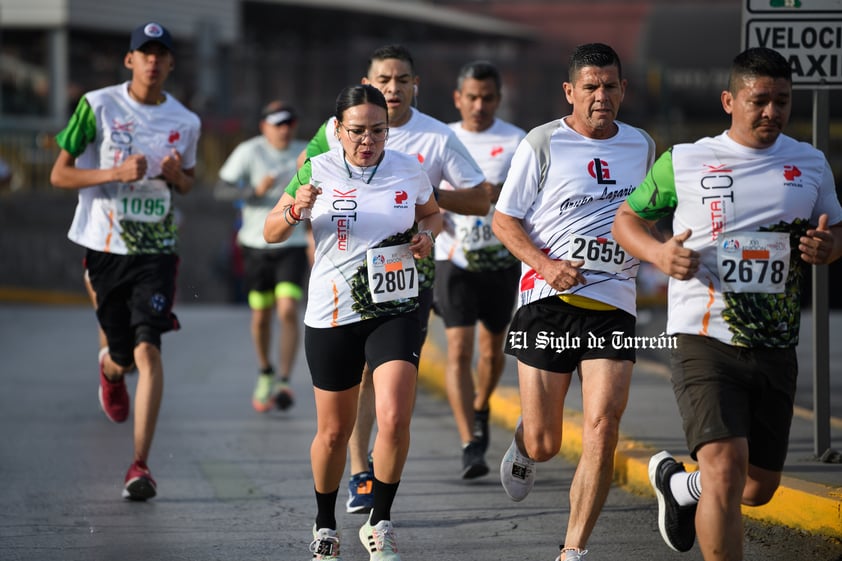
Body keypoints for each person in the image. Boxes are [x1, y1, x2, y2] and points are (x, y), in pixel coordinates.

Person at [611, 47, 842, 561]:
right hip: (703, 336)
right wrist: (659, 253)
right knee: (723, 467)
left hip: (775, 344)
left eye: (782, 101)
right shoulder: (686, 160)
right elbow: (626, 220)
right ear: (729, 101)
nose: (772, 112)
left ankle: (677, 488)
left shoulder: (811, 163)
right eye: (759, 100)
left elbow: (836, 228)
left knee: (757, 488)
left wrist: (829, 247)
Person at [299, 44, 491, 513]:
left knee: (387, 384)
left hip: (406, 280)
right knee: (356, 379)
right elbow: (303, 193)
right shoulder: (330, 134)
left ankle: (379, 488)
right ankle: (359, 470)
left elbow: (479, 198)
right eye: (383, 80)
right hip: (341, 285)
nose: (392, 88)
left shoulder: (436, 138)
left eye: (401, 80)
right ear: (368, 82)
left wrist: (419, 199)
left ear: (414, 85)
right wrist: (302, 223)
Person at [265, 83, 443, 561]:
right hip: (333, 311)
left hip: (394, 305)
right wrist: (294, 208)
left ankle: (379, 522)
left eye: (378, 131)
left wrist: (425, 234)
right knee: (333, 433)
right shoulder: (315, 168)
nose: (368, 140)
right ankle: (324, 523)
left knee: (394, 417)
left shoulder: (409, 168)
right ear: (338, 129)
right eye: (358, 131)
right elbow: (270, 230)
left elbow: (433, 214)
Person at [491, 43, 655, 561]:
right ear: (571, 91)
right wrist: (545, 264)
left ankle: (574, 550)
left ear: (623, 90)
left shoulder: (642, 145)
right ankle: (525, 441)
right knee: (546, 441)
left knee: (603, 428)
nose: (600, 95)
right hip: (548, 301)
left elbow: (644, 218)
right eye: (590, 86)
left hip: (613, 306)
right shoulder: (543, 143)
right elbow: (504, 220)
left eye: (610, 86)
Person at [49, 21, 201, 501]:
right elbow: (59, 174)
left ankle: (140, 466)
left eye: (161, 54)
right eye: (144, 52)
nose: (152, 61)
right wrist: (114, 171)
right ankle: (110, 370)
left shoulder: (186, 121)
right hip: (105, 244)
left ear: (171, 64)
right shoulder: (97, 105)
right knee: (122, 358)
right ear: (129, 60)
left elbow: (190, 183)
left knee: (149, 349)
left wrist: (178, 178)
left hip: (157, 249)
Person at [433, 60, 525, 479]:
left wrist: (496, 193)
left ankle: (482, 406)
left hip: (500, 261)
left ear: (498, 99)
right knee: (459, 349)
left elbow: (530, 196)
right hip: (453, 258)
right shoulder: (443, 137)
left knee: (491, 352)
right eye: (471, 97)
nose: (479, 105)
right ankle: (470, 440)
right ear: (458, 98)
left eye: (487, 97)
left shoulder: (517, 141)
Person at [216, 100, 309, 413]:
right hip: (255, 244)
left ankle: (284, 379)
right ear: (264, 126)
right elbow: (221, 190)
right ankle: (266, 370)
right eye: (278, 123)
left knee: (287, 309)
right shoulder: (249, 151)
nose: (284, 129)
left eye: (289, 123)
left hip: (292, 244)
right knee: (261, 314)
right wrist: (255, 191)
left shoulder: (305, 151)